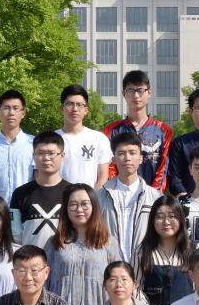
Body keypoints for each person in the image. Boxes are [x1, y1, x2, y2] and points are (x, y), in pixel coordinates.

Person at [99, 131, 163, 264]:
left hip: (145, 268)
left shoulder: (155, 198)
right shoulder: (99, 196)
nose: (127, 158)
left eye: (132, 153)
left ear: (141, 158)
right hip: (109, 269)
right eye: (121, 153)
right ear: (113, 159)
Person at [103, 70, 172, 192]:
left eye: (140, 90)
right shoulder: (110, 131)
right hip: (118, 195)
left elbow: (163, 168)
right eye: (131, 91)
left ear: (149, 93)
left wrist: (153, 195)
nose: (136, 95)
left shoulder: (163, 131)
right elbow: (109, 166)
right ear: (124, 94)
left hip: (153, 197)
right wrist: (117, 191)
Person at [10, 131, 70, 249]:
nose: (46, 158)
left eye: (51, 153)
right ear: (34, 156)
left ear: (62, 156)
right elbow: (15, 237)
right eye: (41, 153)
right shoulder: (20, 193)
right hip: (30, 259)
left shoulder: (72, 192)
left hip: (65, 259)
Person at [0, 89, 34, 202]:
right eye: (6, 108)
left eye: (16, 108)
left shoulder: (34, 143)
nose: (11, 113)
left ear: (23, 113)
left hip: (26, 207)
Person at [56, 84, 111, 189]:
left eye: (79, 104)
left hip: (89, 198)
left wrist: (92, 197)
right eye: (70, 104)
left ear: (86, 110)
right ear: (62, 108)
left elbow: (102, 178)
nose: (75, 109)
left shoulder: (99, 139)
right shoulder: (52, 139)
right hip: (58, 198)